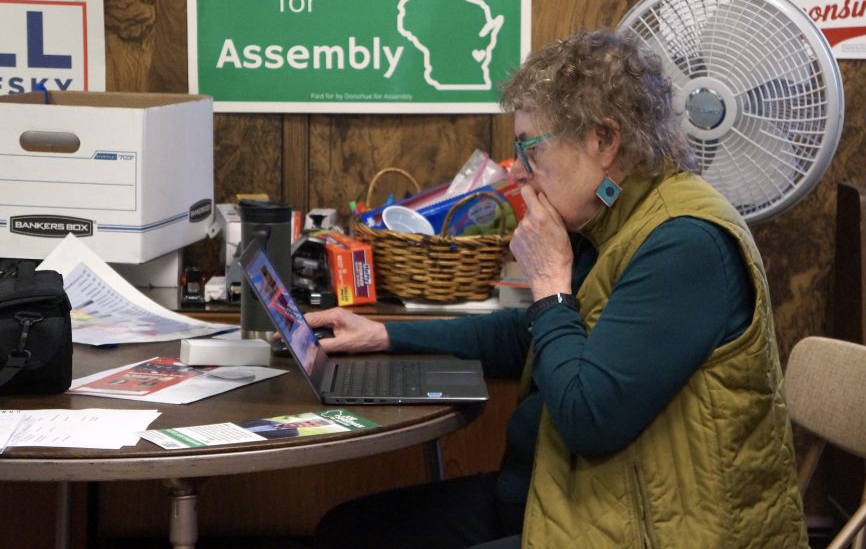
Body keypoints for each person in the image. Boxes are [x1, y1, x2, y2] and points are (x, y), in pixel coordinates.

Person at [310, 29, 807, 549]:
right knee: (345, 531)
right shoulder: (614, 218)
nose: (522, 175)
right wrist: (384, 336)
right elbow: (529, 334)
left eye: (531, 150)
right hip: (566, 499)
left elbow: (589, 420)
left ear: (603, 140)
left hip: (649, 529)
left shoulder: (685, 244)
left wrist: (549, 280)